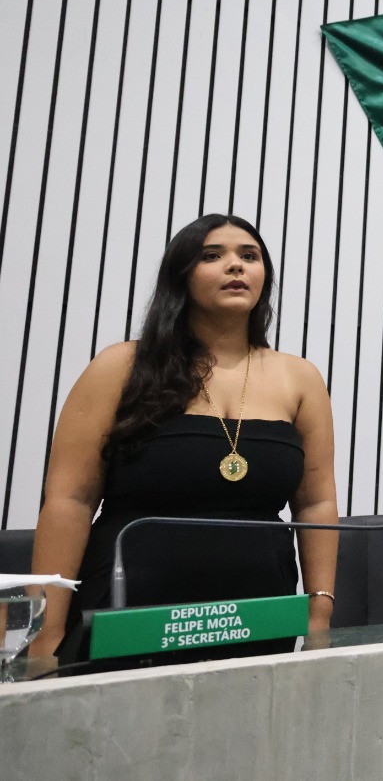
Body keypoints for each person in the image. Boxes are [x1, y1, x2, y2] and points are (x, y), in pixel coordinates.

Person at [30, 215, 338, 658]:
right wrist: (47, 630)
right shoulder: (121, 366)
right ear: (181, 276)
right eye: (213, 256)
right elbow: (70, 501)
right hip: (131, 611)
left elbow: (316, 503)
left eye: (249, 256)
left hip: (257, 612)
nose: (236, 266)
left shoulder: (301, 377)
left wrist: (319, 611)